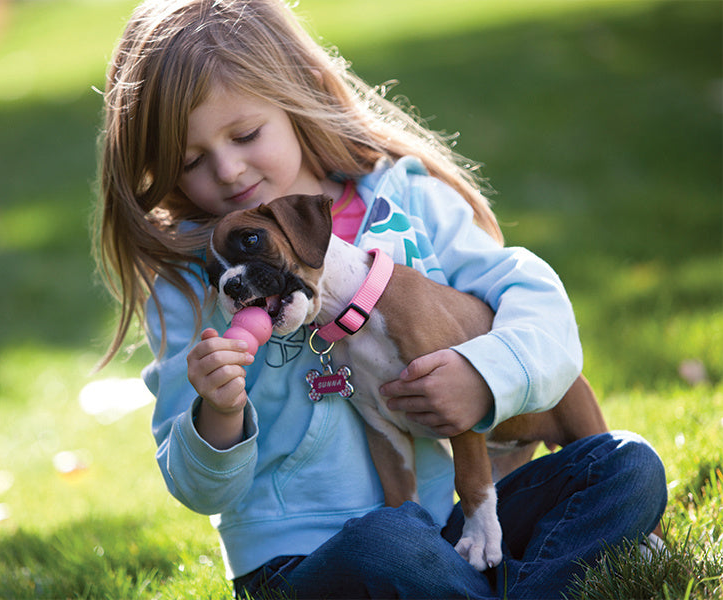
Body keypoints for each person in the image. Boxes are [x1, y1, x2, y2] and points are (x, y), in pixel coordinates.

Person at [93, 1, 667, 597]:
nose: (230, 169)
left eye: (245, 134)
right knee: (385, 545)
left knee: (626, 466)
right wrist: (218, 413)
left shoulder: (407, 200)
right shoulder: (194, 282)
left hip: (453, 526)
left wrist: (483, 376)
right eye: (192, 162)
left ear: (297, 96)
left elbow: (537, 304)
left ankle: (487, 587)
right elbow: (196, 488)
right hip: (304, 559)